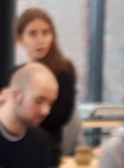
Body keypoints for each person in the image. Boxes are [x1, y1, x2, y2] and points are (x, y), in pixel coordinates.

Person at [15, 8, 83, 156]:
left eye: (46, 33)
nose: (40, 40)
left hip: (47, 147)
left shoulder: (63, 70)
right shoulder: (19, 73)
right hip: (16, 145)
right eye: (33, 34)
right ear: (20, 39)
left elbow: (60, 116)